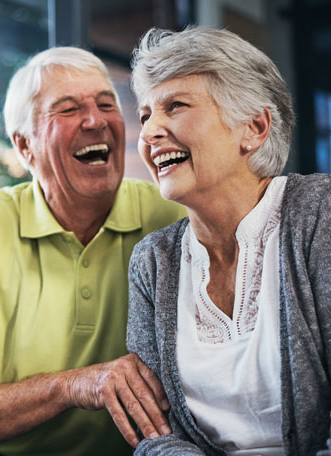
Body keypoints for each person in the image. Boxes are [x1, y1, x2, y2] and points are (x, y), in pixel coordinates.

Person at [0, 47, 186, 456]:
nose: (95, 120)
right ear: (24, 147)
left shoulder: (169, 216)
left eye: (106, 104)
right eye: (68, 109)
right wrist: (72, 385)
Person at [127, 25, 331, 456]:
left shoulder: (320, 214)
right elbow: (156, 433)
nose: (148, 133)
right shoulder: (153, 262)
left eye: (175, 107)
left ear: (254, 128)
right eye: (145, 115)